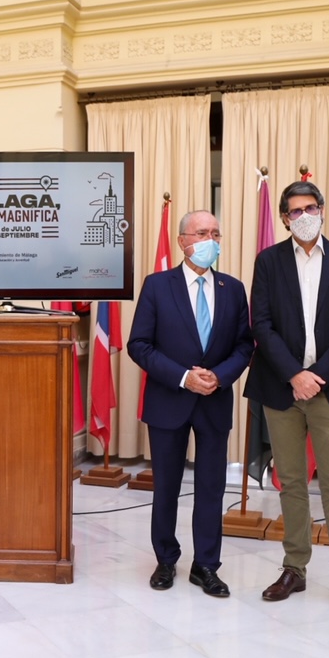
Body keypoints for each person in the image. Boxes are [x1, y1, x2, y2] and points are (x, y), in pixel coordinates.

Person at [244, 180, 329, 621]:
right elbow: (261, 324)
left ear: (322, 210)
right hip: (281, 388)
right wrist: (294, 375)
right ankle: (294, 569)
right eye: (294, 211)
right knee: (291, 482)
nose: (303, 216)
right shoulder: (268, 261)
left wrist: (316, 376)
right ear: (284, 218)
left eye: (310, 207)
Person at [128, 210, 254, 597]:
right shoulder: (156, 285)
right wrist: (185, 377)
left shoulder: (233, 288)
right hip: (169, 399)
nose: (210, 240)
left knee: (212, 487)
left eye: (216, 233)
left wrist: (220, 376)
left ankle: (206, 566)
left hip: (215, 401)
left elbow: (244, 345)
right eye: (201, 233)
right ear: (182, 240)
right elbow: (139, 345)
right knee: (165, 485)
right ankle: (166, 560)